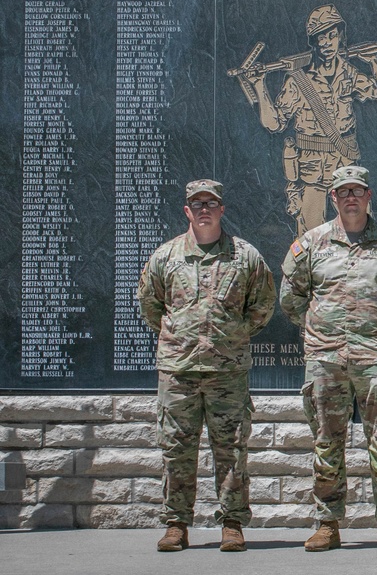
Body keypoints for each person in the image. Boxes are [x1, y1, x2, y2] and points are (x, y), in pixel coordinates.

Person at [280, 165, 377, 552]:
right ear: (333, 198)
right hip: (326, 359)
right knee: (327, 443)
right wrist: (321, 330)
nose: (350, 198)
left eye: (356, 191)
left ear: (368, 196)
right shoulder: (311, 244)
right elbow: (291, 298)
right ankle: (327, 523)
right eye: (342, 191)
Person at [137, 179, 276, 552]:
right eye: (196, 204)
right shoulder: (165, 257)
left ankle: (232, 523)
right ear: (186, 211)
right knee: (176, 450)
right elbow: (150, 305)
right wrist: (181, 337)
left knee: (231, 450)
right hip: (179, 371)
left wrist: (231, 335)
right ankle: (176, 524)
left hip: (227, 373)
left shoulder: (245, 257)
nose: (203, 210)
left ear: (221, 209)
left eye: (210, 203)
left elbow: (262, 306)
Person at [249, 4, 377, 236]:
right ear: (313, 42)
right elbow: (274, 124)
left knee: (363, 237)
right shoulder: (297, 80)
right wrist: (259, 85)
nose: (327, 43)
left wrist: (373, 62)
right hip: (311, 172)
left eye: (332, 35)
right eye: (320, 38)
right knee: (309, 240)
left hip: (348, 168)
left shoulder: (349, 73)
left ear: (340, 37)